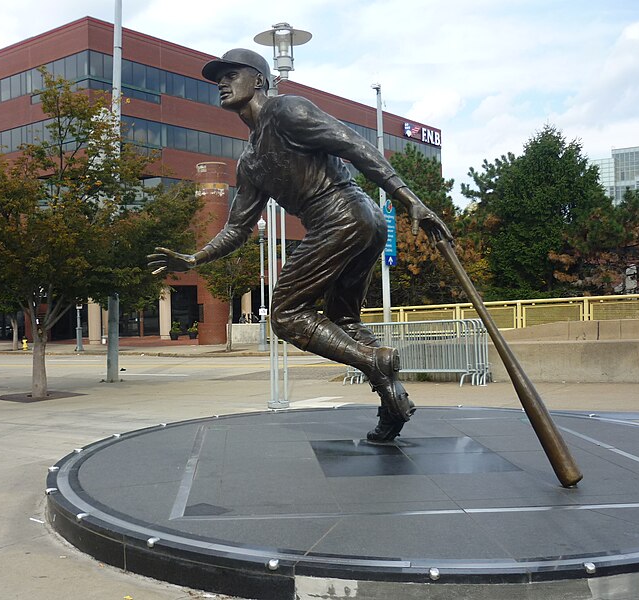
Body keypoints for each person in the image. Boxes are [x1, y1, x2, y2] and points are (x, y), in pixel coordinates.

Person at [148, 49, 452, 442]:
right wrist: (194, 257)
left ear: (258, 79)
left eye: (231, 74)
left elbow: (354, 146)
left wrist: (410, 200)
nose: (221, 83)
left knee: (287, 314)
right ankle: (392, 404)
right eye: (218, 78)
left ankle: (374, 361)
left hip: (341, 215)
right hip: (360, 223)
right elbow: (237, 228)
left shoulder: (287, 110)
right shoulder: (250, 161)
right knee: (344, 322)